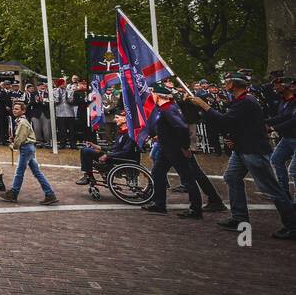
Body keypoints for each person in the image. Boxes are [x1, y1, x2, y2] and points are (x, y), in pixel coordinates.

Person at [184, 72, 296, 239]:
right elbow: (238, 124)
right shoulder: (241, 101)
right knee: (231, 177)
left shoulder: (246, 102)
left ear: (233, 84)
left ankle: (292, 225)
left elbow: (225, 121)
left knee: (270, 188)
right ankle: (239, 217)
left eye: (227, 81)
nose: (225, 83)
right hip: (242, 148)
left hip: (252, 150)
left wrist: (203, 105)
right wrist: (231, 137)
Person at [142, 82, 204, 218]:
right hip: (166, 148)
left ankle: (196, 209)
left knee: (187, 178)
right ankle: (159, 204)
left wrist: (185, 147)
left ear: (158, 95)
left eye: (152, 94)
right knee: (157, 173)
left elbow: (181, 128)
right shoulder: (166, 108)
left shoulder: (167, 109)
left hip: (175, 149)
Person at [1, 100, 57, 204]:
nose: (14, 110)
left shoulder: (22, 122)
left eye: (17, 109)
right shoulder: (21, 121)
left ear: (23, 111)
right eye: (14, 108)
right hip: (29, 148)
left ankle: (13, 193)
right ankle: (50, 193)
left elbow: (20, 139)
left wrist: (13, 146)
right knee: (36, 172)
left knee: (19, 172)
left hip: (26, 148)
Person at [78, 112, 138, 184]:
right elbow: (113, 148)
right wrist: (97, 146)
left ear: (125, 119)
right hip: (113, 155)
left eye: (117, 117)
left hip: (118, 158)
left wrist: (107, 155)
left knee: (86, 151)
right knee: (84, 149)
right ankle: (88, 176)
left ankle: (89, 176)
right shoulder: (121, 133)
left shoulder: (129, 134)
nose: (115, 120)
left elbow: (126, 152)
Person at [268, 76, 296, 197]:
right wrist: (264, 122)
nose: (275, 87)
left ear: (286, 86)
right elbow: (282, 117)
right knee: (276, 160)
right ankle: (283, 192)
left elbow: (293, 120)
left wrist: (273, 128)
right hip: (287, 138)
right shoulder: (284, 101)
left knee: (294, 170)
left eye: (277, 85)